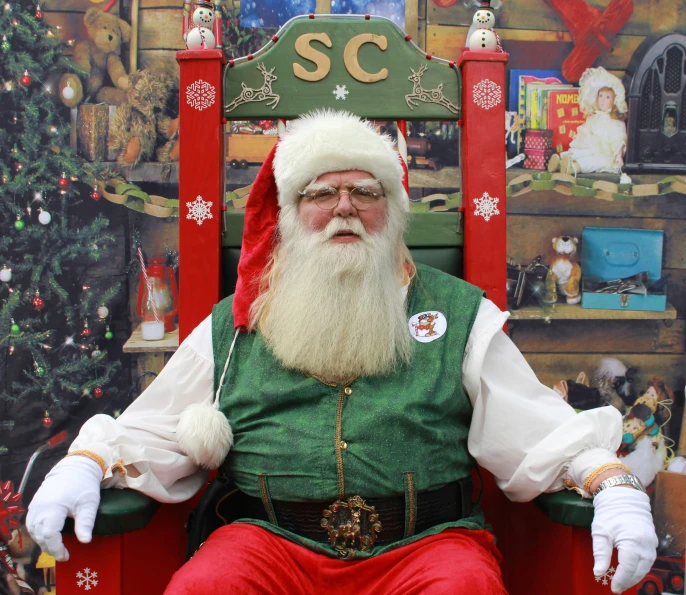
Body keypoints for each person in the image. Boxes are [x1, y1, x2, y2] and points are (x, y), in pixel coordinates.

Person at [26, 110, 657, 594]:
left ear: (393, 209)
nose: (345, 209)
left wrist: (612, 483)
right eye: (321, 194)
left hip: (424, 546)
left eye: (366, 192)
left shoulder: (462, 315)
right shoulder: (238, 323)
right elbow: (157, 425)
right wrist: (89, 460)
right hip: (267, 542)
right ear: (292, 213)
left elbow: (533, 428)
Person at [548, 66, 628, 175]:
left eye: (608, 97)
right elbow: (585, 131)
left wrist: (618, 156)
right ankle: (560, 162)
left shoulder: (616, 122)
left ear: (615, 101)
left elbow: (619, 140)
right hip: (590, 147)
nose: (603, 100)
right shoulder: (593, 118)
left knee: (595, 161)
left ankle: (573, 167)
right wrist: (583, 141)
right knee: (581, 153)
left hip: (605, 153)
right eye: (601, 96)